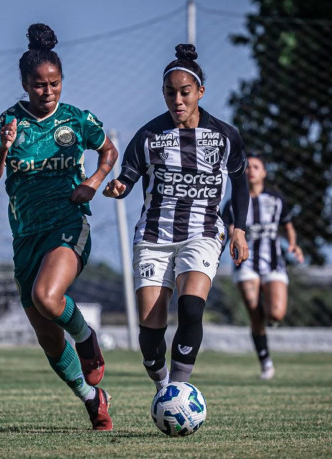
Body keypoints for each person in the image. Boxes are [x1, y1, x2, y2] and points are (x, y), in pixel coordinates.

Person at [0, 23, 118, 431]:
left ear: (62, 81)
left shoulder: (76, 120)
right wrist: (4, 148)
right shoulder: (9, 121)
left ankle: (87, 336)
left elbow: (108, 149)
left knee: (47, 295)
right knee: (47, 339)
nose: (48, 92)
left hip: (67, 224)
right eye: (39, 85)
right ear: (25, 83)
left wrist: (93, 183)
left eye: (54, 83)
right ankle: (93, 400)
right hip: (25, 236)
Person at [103, 44, 250, 392]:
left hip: (203, 233)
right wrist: (118, 188)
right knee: (151, 336)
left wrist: (239, 229)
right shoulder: (149, 136)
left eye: (185, 93)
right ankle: (161, 383)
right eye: (170, 93)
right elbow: (129, 177)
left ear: (200, 91)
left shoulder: (225, 137)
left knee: (191, 309)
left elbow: (240, 181)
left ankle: (178, 392)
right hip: (154, 236)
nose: (178, 101)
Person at [222, 155, 304, 380]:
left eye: (256, 167)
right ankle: (266, 363)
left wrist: (294, 245)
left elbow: (287, 226)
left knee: (276, 314)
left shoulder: (276, 199)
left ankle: (270, 318)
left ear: (264, 173)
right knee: (253, 310)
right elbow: (229, 230)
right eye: (248, 167)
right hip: (246, 263)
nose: (251, 171)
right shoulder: (234, 203)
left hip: (273, 263)